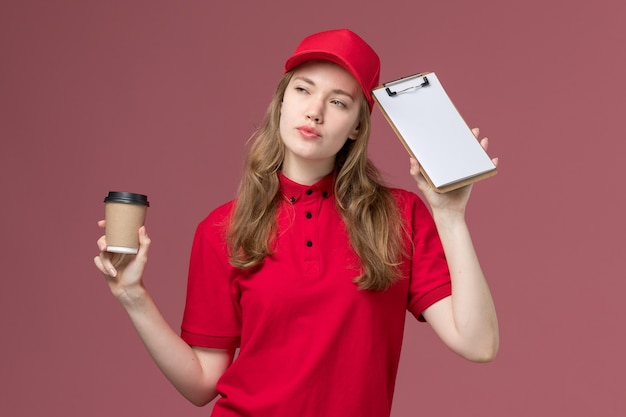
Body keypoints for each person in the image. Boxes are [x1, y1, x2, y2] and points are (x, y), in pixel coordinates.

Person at [94, 28, 499, 417]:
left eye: (339, 102)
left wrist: (450, 217)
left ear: (358, 125)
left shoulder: (398, 215)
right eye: (303, 90)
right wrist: (133, 296)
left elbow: (478, 343)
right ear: (282, 102)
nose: (315, 111)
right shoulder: (222, 229)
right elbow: (202, 383)